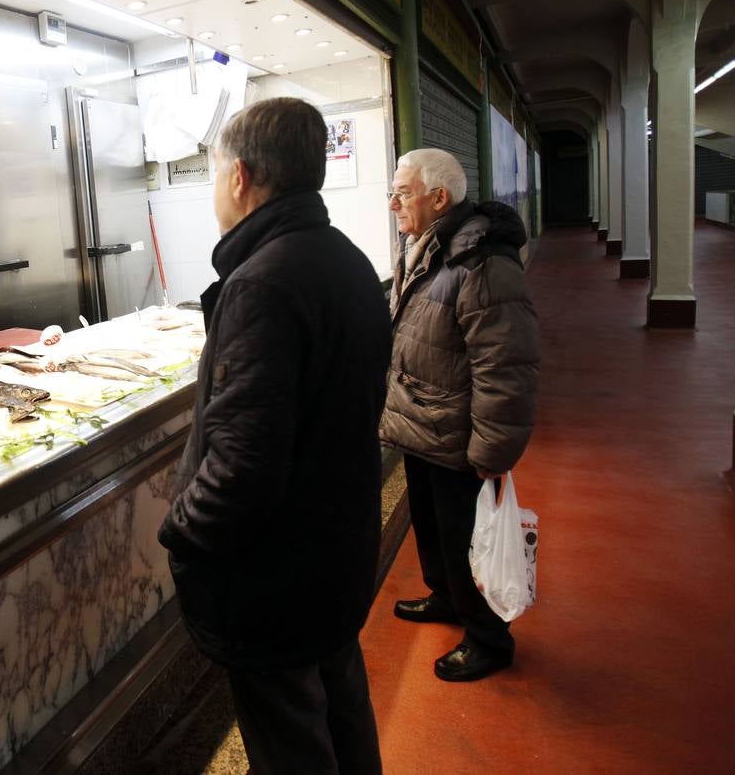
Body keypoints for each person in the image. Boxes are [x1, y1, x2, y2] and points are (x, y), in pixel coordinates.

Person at [158, 97, 391, 774]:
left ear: (239, 178)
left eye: (214, 178)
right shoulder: (345, 260)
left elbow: (243, 465)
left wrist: (181, 533)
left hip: (276, 576)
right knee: (342, 711)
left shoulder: (261, 283)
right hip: (336, 550)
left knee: (290, 742)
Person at [378, 148, 540, 682]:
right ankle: (446, 597)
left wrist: (492, 451)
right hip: (423, 426)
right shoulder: (424, 246)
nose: (393, 202)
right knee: (433, 529)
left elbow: (505, 362)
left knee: (467, 539)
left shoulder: (482, 259)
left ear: (439, 197)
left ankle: (489, 637)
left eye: (402, 192)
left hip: (459, 435)